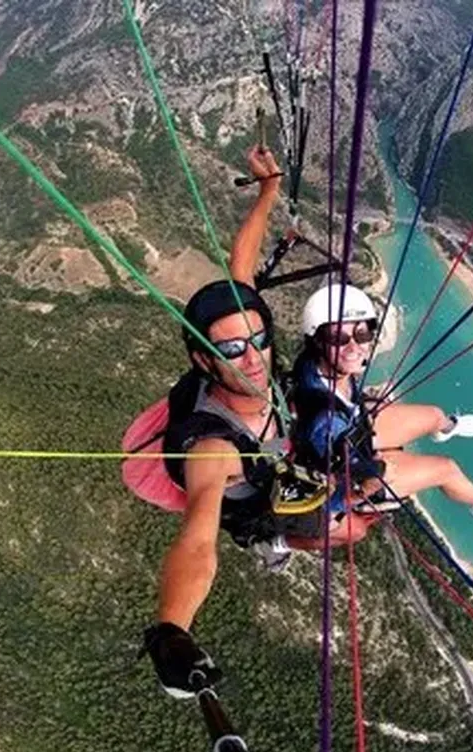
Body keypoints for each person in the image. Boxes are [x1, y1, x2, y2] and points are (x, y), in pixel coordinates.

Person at [135, 149, 374, 698]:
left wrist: (268, 191)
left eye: (260, 340)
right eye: (233, 348)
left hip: (287, 451)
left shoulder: (250, 348)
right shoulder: (210, 445)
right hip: (262, 508)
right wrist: (173, 632)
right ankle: (280, 544)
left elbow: (241, 267)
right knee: (355, 527)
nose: (252, 357)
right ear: (202, 361)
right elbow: (197, 539)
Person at [291, 282, 473, 521]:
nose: (354, 347)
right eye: (338, 339)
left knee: (435, 415)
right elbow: (335, 490)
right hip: (356, 477)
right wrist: (370, 483)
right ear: (318, 342)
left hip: (353, 433)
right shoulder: (324, 423)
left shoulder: (316, 367)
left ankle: (445, 428)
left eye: (362, 334)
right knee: (446, 469)